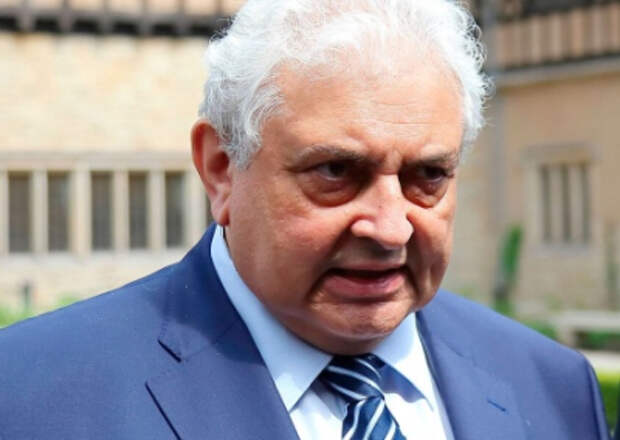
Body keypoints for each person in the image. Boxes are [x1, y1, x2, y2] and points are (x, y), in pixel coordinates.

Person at [0, 0, 610, 439]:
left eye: (428, 175)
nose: (389, 228)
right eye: (336, 172)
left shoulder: (553, 389)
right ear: (221, 169)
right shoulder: (31, 396)